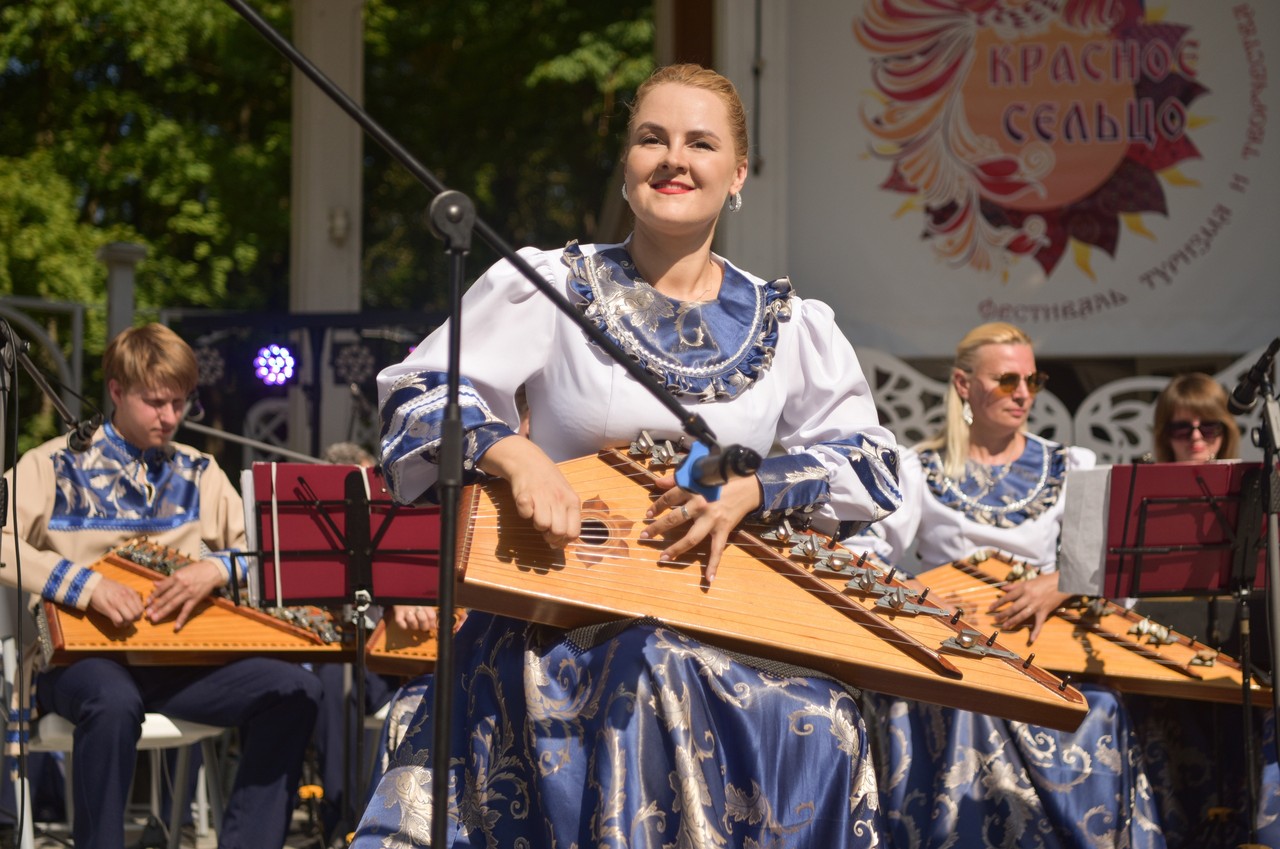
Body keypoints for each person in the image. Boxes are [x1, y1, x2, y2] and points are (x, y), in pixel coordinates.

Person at [355, 63, 903, 847]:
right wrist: (512, 451)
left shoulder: (791, 324)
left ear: (738, 172)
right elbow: (416, 393)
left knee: (830, 717)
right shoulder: (551, 286)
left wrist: (759, 487)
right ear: (627, 162)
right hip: (563, 624)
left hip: (733, 620)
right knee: (650, 663)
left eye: (700, 143)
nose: (674, 159)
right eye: (653, 138)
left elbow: (873, 461)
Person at [0, 323, 323, 849]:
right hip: (79, 663)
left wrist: (216, 569)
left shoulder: (201, 472)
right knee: (112, 701)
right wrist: (84, 586)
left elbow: (263, 551)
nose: (170, 417)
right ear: (116, 391)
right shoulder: (54, 464)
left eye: (179, 402)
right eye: (155, 402)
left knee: (296, 690)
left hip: (181, 663)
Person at [851, 321, 1167, 849]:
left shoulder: (1072, 466)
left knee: (1101, 708)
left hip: (1048, 656)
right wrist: (917, 595)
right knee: (971, 711)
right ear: (963, 385)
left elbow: (1120, 578)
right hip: (954, 662)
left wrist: (1064, 583)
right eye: (1005, 380)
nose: (1023, 393)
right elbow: (863, 554)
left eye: (1031, 380)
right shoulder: (917, 470)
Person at [1151, 371, 1241, 463]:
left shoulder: (1242, 477)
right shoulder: (1146, 478)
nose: (1196, 436)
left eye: (1209, 426)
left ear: (1225, 432)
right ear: (1165, 436)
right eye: (1182, 428)